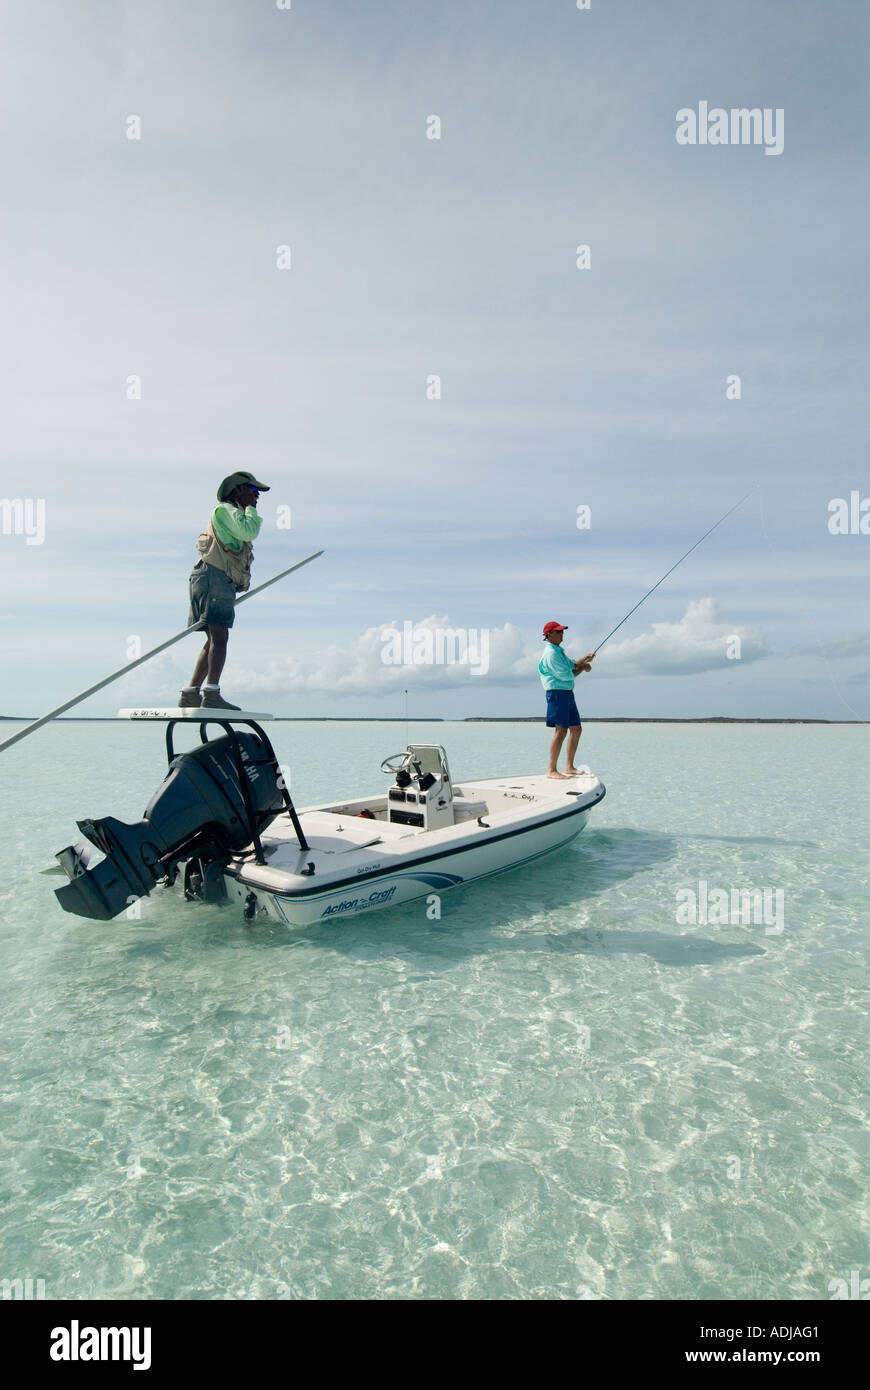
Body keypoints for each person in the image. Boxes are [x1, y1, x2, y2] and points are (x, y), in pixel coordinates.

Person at [178, 471, 270, 710]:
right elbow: (249, 532)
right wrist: (250, 509)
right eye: (253, 491)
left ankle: (190, 692)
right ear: (238, 490)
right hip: (213, 579)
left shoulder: (231, 513)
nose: (257, 496)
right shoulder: (225, 511)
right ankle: (211, 694)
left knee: (213, 641)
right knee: (220, 639)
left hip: (212, 579)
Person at [538, 620, 595, 779]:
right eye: (558, 631)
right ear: (549, 635)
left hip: (567, 693)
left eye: (562, 631)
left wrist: (584, 659)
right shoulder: (550, 654)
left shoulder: (558, 651)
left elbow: (571, 665)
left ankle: (569, 766)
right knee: (561, 730)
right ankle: (551, 770)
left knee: (576, 729)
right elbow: (568, 675)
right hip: (557, 693)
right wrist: (583, 668)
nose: (562, 634)